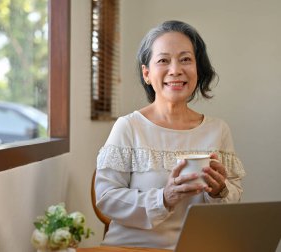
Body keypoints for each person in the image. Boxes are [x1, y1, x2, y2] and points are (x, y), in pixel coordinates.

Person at [94, 20, 245, 249]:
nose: (175, 70)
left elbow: (233, 200)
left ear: (197, 70)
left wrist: (220, 191)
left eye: (186, 59)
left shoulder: (218, 130)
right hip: (131, 248)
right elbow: (106, 199)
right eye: (163, 60)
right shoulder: (129, 127)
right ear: (147, 73)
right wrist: (163, 198)